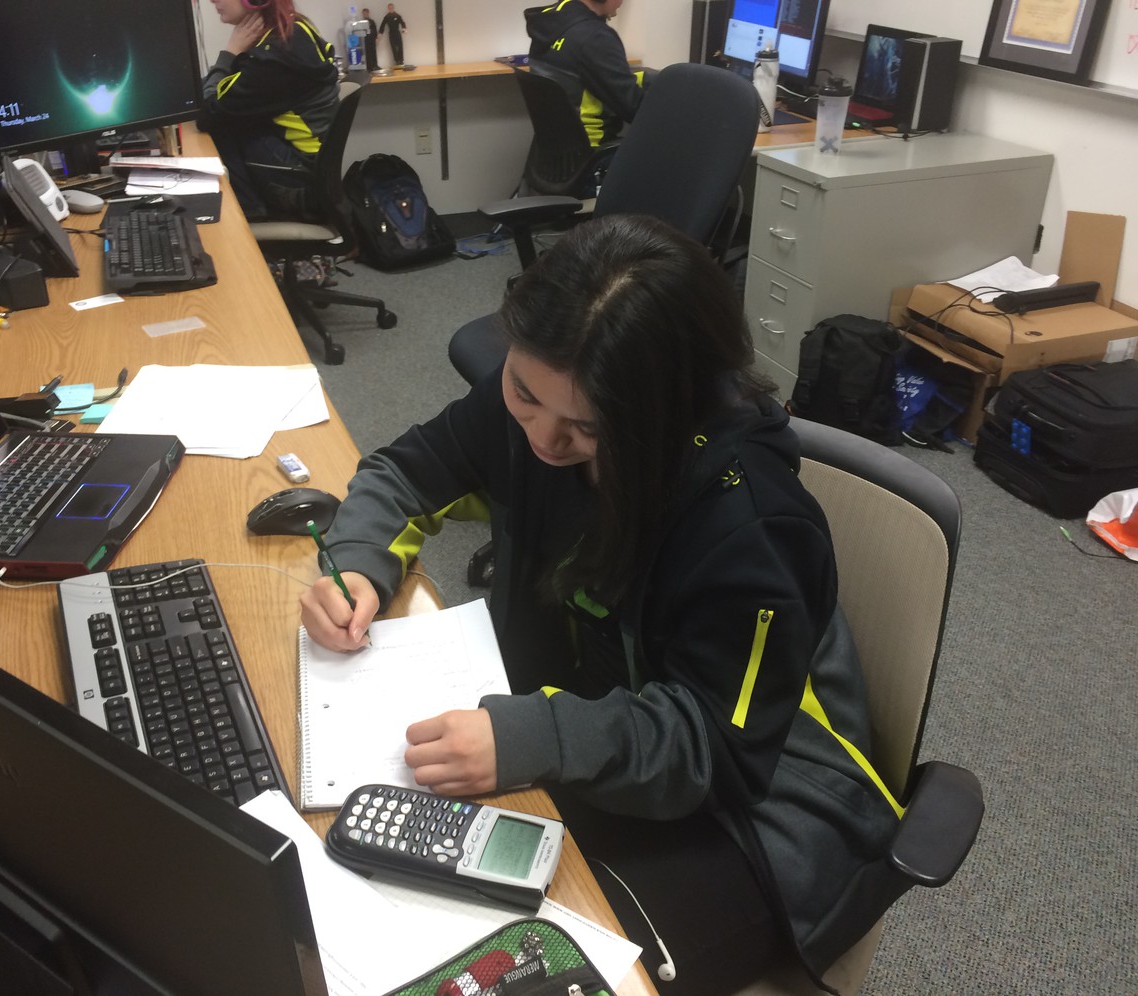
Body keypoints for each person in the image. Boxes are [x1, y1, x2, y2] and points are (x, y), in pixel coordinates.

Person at [299, 215, 913, 993]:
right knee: (389, 904)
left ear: (663, 412)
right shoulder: (535, 396)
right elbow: (405, 474)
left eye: (586, 428)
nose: (542, 441)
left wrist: (534, 733)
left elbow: (713, 752)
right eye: (524, 394)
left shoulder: (752, 528)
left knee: (525, 970)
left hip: (753, 819)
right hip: (593, 735)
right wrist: (358, 567)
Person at [198, 0, 339, 221]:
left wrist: (229, 52)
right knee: (232, 116)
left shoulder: (273, 57)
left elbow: (208, 112)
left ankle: (250, 215)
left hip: (301, 181)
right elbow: (221, 90)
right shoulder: (294, 29)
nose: (212, 0)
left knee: (221, 126)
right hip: (316, 170)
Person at [526, 0, 648, 148]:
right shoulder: (596, 37)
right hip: (593, 155)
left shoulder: (549, 20)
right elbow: (635, 110)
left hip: (553, 158)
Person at [379, 3, 407, 68]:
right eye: (389, 8)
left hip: (397, 32)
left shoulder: (397, 15)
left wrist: (404, 29)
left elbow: (402, 22)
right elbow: (382, 25)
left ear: (393, 8)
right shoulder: (387, 17)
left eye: (391, 7)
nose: (390, 9)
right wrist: (380, 34)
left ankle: (401, 60)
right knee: (393, 47)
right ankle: (396, 61)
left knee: (400, 46)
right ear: (388, 9)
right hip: (391, 33)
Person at [361, 7, 380, 73]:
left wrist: (376, 36)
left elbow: (374, 29)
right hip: (366, 40)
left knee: (373, 52)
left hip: (372, 39)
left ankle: (375, 65)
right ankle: (369, 67)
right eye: (364, 13)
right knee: (367, 53)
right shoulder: (362, 22)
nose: (365, 14)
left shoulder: (372, 21)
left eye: (366, 13)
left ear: (368, 13)